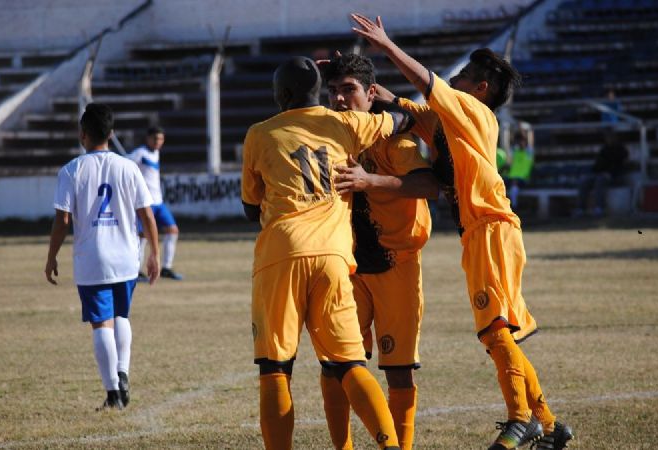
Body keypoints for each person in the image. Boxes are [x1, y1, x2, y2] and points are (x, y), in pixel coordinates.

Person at [350, 14, 573, 450]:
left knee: (494, 331)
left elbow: (428, 85)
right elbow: (418, 115)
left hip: (490, 227)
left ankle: (519, 419)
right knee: (500, 333)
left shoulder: (473, 112)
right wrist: (385, 96)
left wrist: (387, 45)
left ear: (480, 89)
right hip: (483, 230)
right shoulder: (452, 122)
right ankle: (548, 424)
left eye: (466, 75)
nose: (456, 77)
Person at [241, 56, 414, 450]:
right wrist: (377, 93)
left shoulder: (259, 133)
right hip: (334, 255)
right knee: (350, 364)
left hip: (280, 252)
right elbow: (401, 118)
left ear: (281, 95)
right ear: (320, 92)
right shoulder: (347, 124)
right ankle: (391, 446)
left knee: (275, 368)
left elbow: (251, 207)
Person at [319, 53, 439, 450]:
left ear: (371, 94)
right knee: (336, 364)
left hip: (396, 264)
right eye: (332, 91)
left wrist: (369, 180)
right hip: (350, 265)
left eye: (348, 90)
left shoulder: (396, 139)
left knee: (398, 370)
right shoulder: (331, 136)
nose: (338, 99)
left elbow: (427, 186)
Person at [45, 103, 161, 410]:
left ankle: (113, 394)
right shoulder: (128, 167)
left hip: (92, 258)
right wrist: (155, 254)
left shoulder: (71, 170)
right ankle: (122, 372)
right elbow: (147, 215)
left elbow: (63, 220)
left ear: (83, 134)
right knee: (121, 315)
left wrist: (51, 256)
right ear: (111, 134)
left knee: (101, 324)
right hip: (126, 256)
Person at [127, 126, 183, 280]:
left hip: (159, 201)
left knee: (172, 230)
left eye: (161, 139)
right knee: (142, 235)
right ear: (148, 138)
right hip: (146, 202)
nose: (158, 142)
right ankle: (136, 271)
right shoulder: (140, 153)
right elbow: (125, 165)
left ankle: (166, 267)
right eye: (155, 139)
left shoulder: (156, 153)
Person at [574, 131, 628, 217]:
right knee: (585, 181)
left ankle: (600, 208)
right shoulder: (604, 149)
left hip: (614, 176)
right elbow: (597, 165)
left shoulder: (621, 150)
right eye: (607, 137)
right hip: (599, 174)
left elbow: (621, 167)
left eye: (611, 137)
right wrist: (595, 172)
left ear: (616, 138)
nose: (609, 139)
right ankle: (580, 209)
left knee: (600, 180)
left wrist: (609, 174)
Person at [505, 127, 535, 208]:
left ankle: (514, 206)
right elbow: (508, 144)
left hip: (523, 179)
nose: (520, 143)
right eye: (518, 141)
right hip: (511, 178)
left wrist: (528, 131)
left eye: (522, 141)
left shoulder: (529, 153)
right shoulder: (515, 152)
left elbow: (530, 141)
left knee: (514, 183)